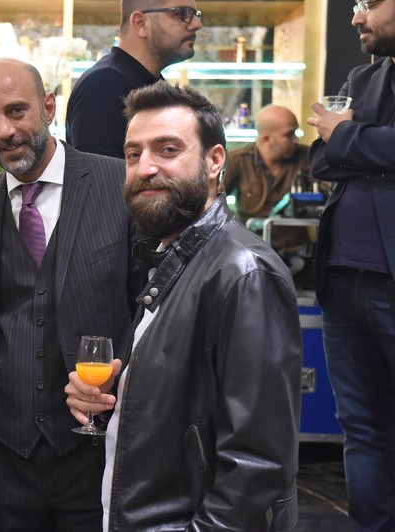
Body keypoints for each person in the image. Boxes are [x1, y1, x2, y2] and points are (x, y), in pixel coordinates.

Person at [66, 82, 301, 530]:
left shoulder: (244, 273)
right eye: (133, 154)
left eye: (168, 149)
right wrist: (116, 397)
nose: (145, 167)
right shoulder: (170, 260)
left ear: (214, 161)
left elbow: (258, 468)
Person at [0, 58, 133, 530]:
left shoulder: (119, 185)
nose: (5, 131)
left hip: (95, 451)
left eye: (17, 111)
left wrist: (122, 380)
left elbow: (151, 309)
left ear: (49, 106)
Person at [306, 0, 395, 528]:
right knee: (360, 428)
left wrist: (345, 137)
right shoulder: (363, 78)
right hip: (341, 280)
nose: (356, 18)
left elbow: (336, 144)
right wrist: (358, 145)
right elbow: (319, 158)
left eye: (369, 3)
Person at [66, 0, 202, 158]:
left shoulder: (150, 83)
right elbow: (99, 173)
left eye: (196, 15)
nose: (197, 24)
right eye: (181, 14)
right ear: (140, 23)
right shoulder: (103, 84)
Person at [223, 105, 328, 251]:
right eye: (289, 134)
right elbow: (213, 203)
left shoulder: (307, 157)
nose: (296, 140)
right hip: (250, 249)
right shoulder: (238, 160)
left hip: (295, 250)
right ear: (266, 139)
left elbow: (327, 195)